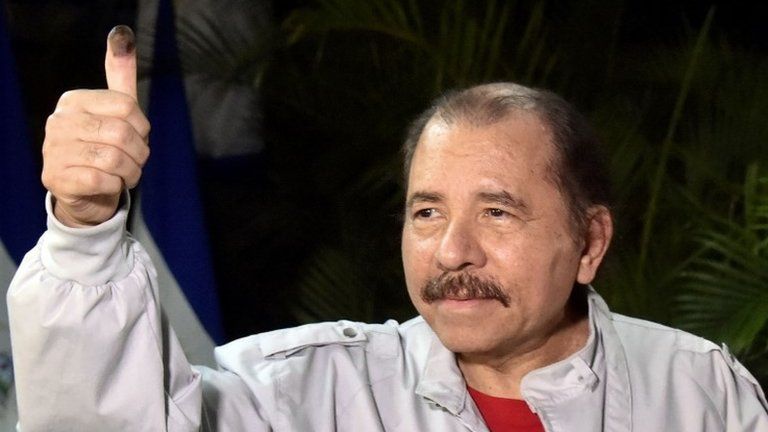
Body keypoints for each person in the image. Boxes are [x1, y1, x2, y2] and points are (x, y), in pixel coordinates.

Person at [8, 26, 767, 432]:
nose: (452, 251)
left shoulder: (699, 391)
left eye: (496, 212)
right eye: (426, 212)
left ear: (590, 243)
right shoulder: (300, 392)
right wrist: (84, 230)